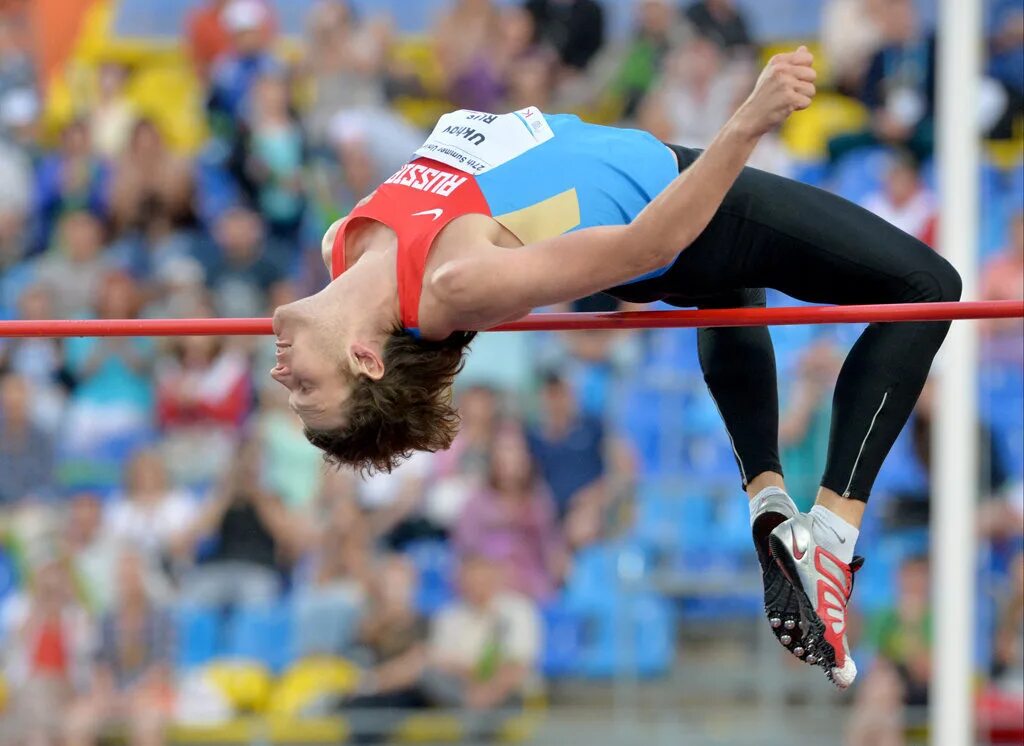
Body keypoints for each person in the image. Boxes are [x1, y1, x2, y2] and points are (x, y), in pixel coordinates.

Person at [270, 47, 962, 688]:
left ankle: (771, 504)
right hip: (680, 207)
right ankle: (834, 540)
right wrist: (748, 121)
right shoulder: (455, 283)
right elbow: (650, 241)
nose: (280, 378)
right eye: (307, 388)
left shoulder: (343, 243)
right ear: (364, 357)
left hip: (652, 193)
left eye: (294, 390)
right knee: (927, 289)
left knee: (728, 299)